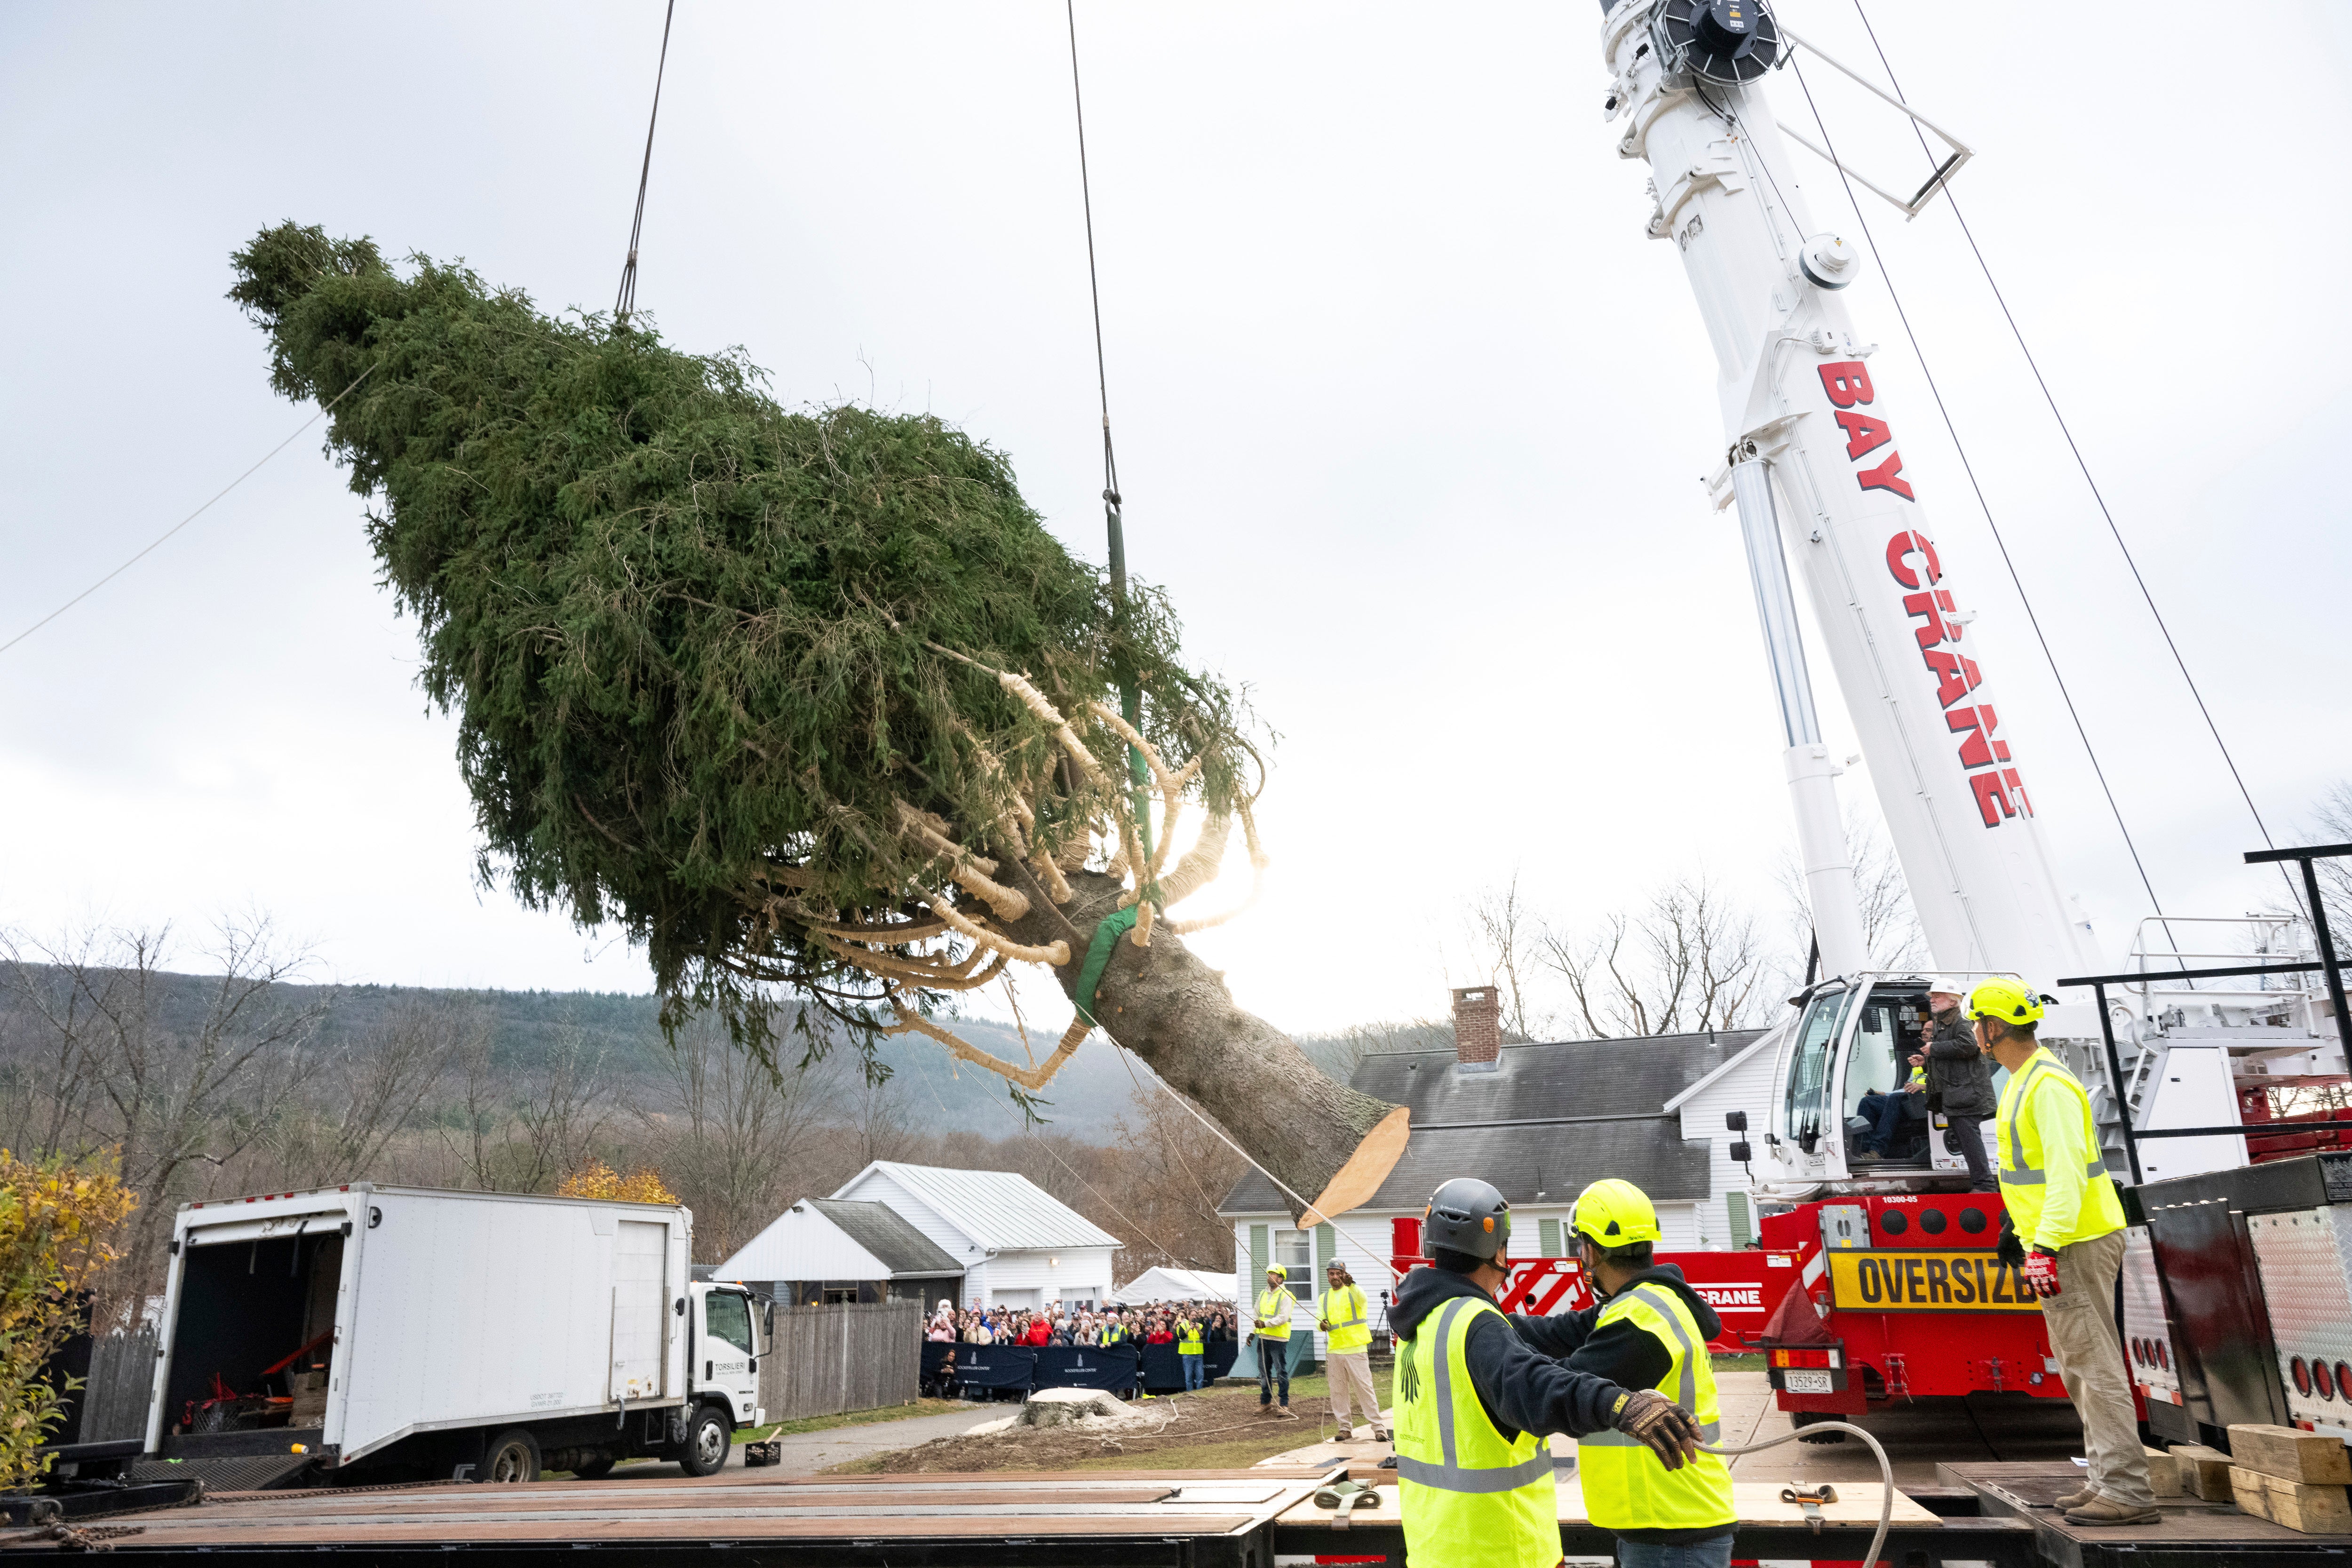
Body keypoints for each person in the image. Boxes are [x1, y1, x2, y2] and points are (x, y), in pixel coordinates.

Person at [1392, 1178, 1703, 1568]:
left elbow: (1546, 1339)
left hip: (1437, 1547)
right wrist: (1619, 1403)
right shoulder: (1476, 1325)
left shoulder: (1425, 1321)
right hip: (1501, 1549)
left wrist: (1502, 1326)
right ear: (1498, 1251)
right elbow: (1535, 1386)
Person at [1971, 978, 2159, 1527]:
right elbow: (2030, 1174)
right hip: (2062, 1239)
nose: (1973, 1033)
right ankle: (2105, 1480)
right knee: (2078, 1365)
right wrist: (2018, 1226)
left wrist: (2044, 1245)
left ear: (1994, 1028)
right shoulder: (2022, 1081)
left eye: (1976, 1023)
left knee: (2093, 1365)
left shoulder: (2045, 1086)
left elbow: (2066, 1175)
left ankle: (2126, 1490)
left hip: (2074, 1241)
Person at [1502, 1179, 1738, 1567]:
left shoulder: (1639, 1325)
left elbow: (1565, 1383)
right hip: (1673, 1521)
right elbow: (1554, 1332)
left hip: (1671, 1530)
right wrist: (1484, 1321)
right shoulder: (1641, 1304)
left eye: (1580, 1244)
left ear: (1591, 1250)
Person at [1917, 978, 1999, 1190]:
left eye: (1938, 996)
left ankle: (1985, 1186)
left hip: (1966, 1095)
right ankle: (1982, 1184)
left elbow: (1970, 1045)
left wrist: (1934, 1049)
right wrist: (1926, 1061)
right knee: (1966, 1142)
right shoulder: (1945, 1022)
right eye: (1932, 996)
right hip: (1959, 1095)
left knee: (1970, 1143)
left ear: (1953, 1001)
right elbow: (1952, 1060)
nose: (1932, 1000)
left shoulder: (1961, 1021)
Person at [1319, 1261, 1385, 1442]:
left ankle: (1379, 1429)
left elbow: (1363, 1300)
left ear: (1344, 1273)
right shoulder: (1324, 1298)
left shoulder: (1354, 1291)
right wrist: (1322, 1324)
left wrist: (1352, 1284)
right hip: (1335, 1350)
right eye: (1331, 1274)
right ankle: (1344, 1429)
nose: (1334, 1277)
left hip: (1356, 1348)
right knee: (1338, 1392)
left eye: (1337, 1273)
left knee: (1365, 1389)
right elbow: (1319, 1319)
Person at [1853, 1060, 1929, 1158]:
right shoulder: (1920, 1065)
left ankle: (1876, 1151)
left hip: (1927, 1106)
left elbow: (1945, 1088)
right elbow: (1906, 1089)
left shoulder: (1944, 1063)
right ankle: (1863, 1151)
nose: (1924, 1048)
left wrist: (1922, 1087)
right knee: (1868, 1102)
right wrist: (1884, 1094)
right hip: (1910, 1103)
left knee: (1896, 1099)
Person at [1253, 1265, 1295, 1412]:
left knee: (1280, 1371)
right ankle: (1266, 1403)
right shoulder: (1263, 1294)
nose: (1270, 1276)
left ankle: (1284, 1404)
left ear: (1281, 1278)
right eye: (1269, 1274)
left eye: (1273, 1274)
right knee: (1264, 1371)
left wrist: (1265, 1324)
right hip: (1263, 1338)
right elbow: (1256, 1313)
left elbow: (1283, 1318)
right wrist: (1253, 1332)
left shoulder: (1286, 1295)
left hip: (1279, 1339)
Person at [1176, 1311, 1207, 1391]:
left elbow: (1204, 1337)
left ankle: (1199, 1393)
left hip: (1198, 1354)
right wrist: (1189, 1328)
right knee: (1189, 1376)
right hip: (1188, 1355)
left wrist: (1198, 1330)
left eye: (1195, 1315)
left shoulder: (1200, 1326)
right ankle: (1190, 1395)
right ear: (1189, 1316)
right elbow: (1181, 1336)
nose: (1194, 1317)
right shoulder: (1183, 1325)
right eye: (1192, 1315)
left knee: (1200, 1376)